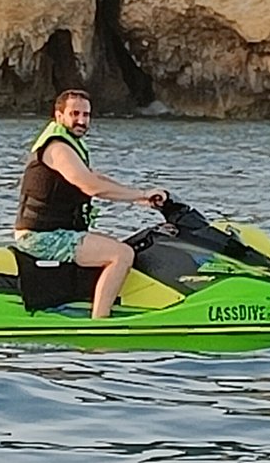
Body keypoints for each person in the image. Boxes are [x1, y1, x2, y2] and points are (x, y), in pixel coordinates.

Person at [14, 88, 167, 318]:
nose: (81, 120)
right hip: (41, 237)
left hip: (55, 232)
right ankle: (100, 323)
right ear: (59, 116)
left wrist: (142, 197)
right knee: (121, 254)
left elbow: (97, 178)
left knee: (129, 246)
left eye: (86, 115)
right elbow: (90, 186)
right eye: (74, 114)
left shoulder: (70, 145)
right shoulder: (57, 148)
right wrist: (139, 194)